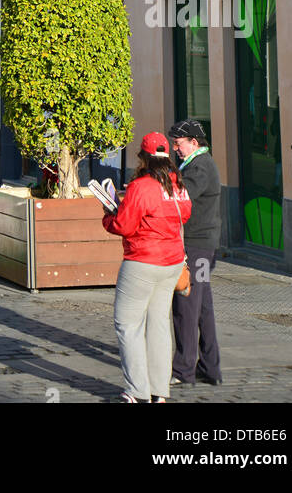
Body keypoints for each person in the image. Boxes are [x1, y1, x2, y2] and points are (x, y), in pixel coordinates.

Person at [102, 131, 191, 403]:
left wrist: (109, 216)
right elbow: (185, 214)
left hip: (142, 261)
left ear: (143, 158)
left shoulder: (142, 186)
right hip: (172, 262)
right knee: (159, 326)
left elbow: (124, 225)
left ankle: (136, 391)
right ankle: (159, 393)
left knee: (128, 325)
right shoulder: (178, 186)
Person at [168, 119, 223, 388]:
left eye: (178, 144)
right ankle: (210, 368)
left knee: (186, 305)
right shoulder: (195, 163)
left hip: (197, 246)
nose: (175, 148)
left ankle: (183, 370)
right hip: (200, 243)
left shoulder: (200, 166)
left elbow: (182, 195)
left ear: (194, 142)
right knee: (202, 308)